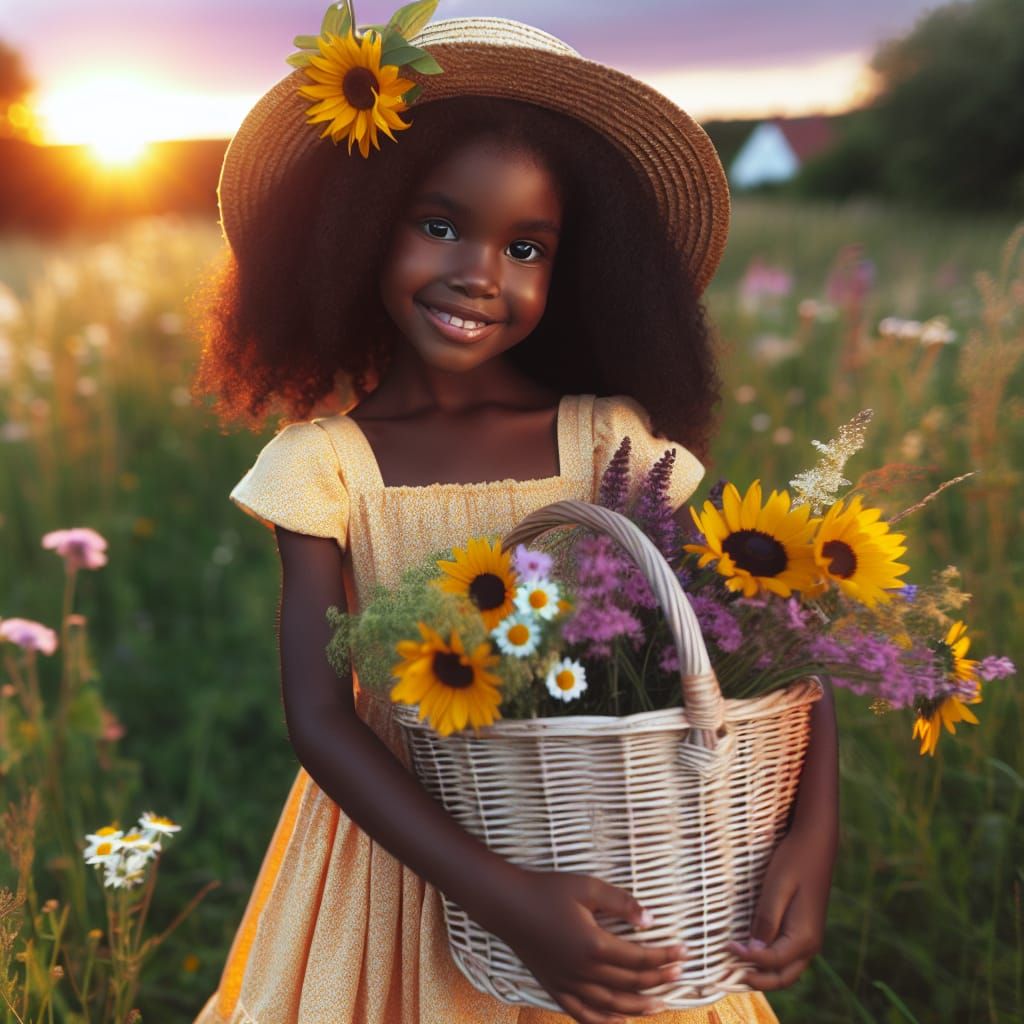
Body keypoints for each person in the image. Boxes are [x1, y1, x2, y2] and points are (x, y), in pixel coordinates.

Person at [191, 8, 838, 1024]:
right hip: (407, 870)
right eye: (438, 224)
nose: (479, 274)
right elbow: (320, 717)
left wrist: (809, 831)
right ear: (356, 225)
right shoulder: (325, 464)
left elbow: (754, 631)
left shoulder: (602, 441)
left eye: (527, 246)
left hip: (625, 851)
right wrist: (500, 894)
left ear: (576, 268)